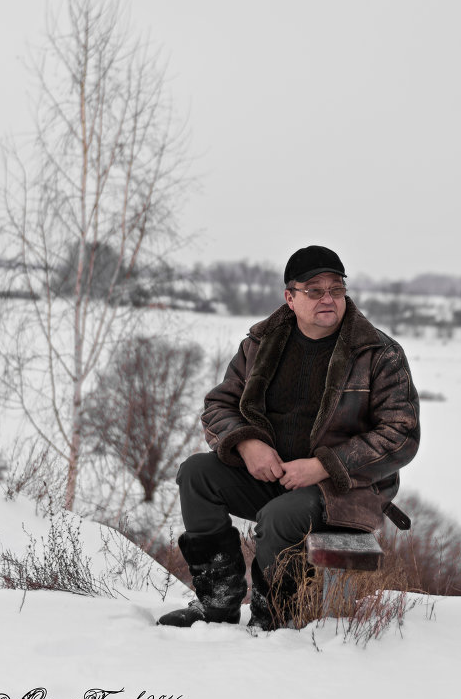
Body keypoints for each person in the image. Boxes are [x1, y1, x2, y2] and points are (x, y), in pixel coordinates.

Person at [158, 245, 420, 629]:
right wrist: (248, 444)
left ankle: (272, 616)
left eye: (337, 288)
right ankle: (217, 603)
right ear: (290, 298)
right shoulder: (261, 345)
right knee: (196, 473)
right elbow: (218, 406)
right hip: (271, 475)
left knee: (281, 516)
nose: (328, 298)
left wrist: (323, 466)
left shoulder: (378, 353)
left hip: (343, 491)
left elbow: (401, 434)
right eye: (314, 290)